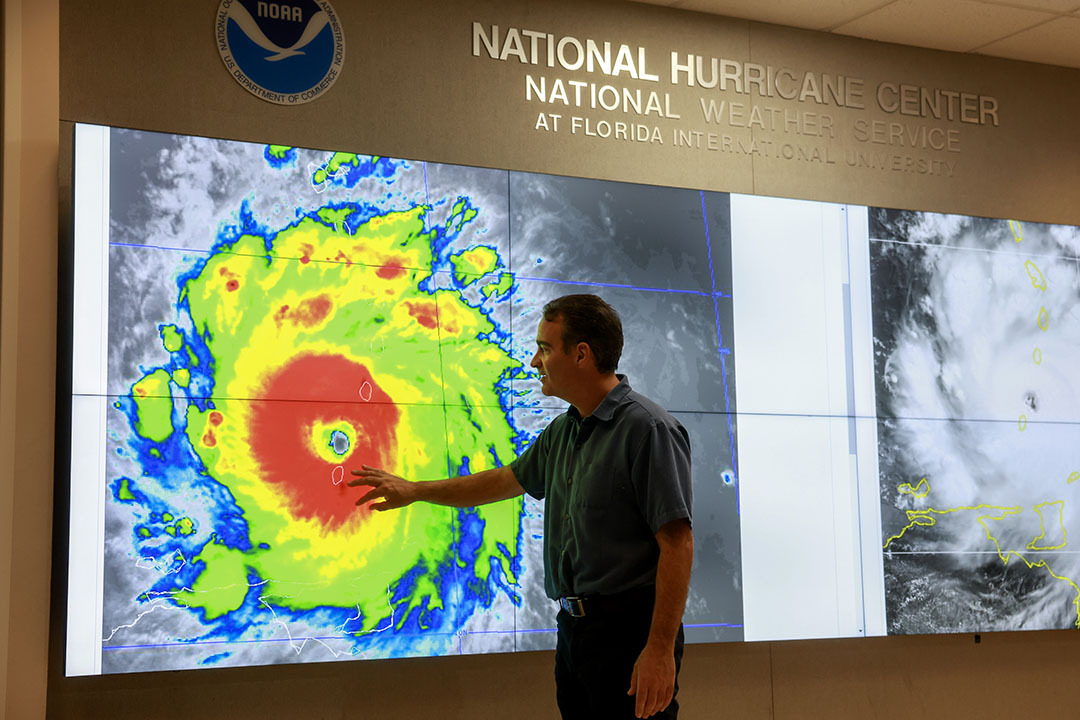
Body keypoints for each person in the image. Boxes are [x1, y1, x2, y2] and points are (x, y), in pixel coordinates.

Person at [349, 294, 693, 719]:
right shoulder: (563, 432)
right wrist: (415, 490)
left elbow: (677, 544)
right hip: (574, 631)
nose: (534, 361)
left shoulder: (648, 429)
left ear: (581, 354)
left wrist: (659, 650)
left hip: (629, 634)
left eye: (545, 349)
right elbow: (502, 482)